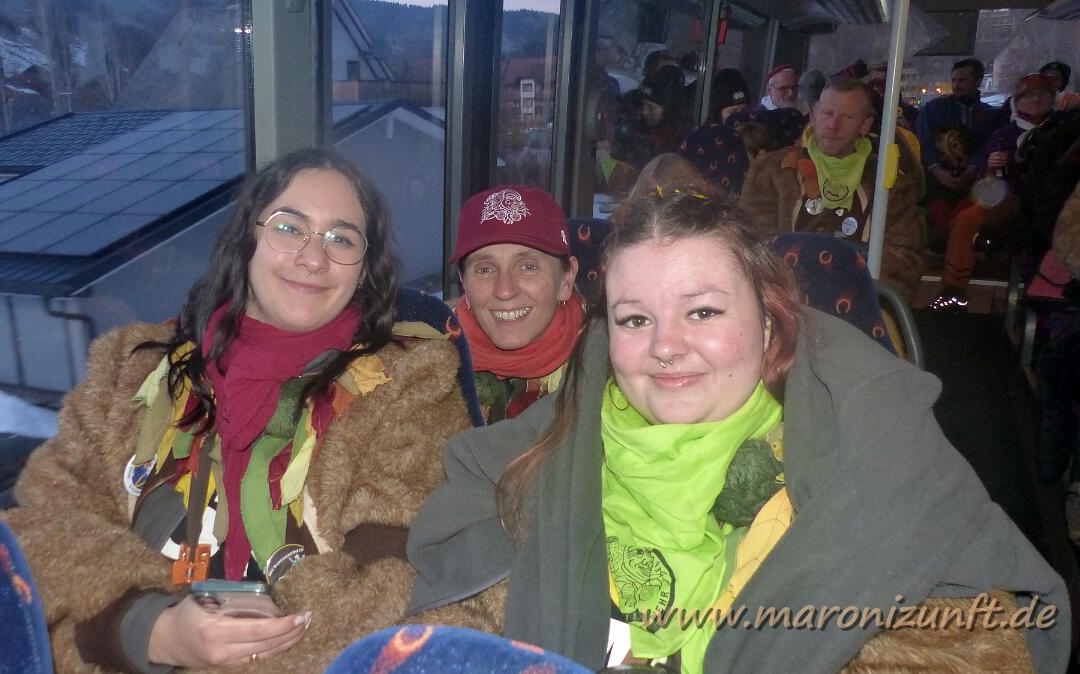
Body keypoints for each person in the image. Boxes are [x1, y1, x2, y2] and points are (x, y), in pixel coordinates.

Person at [406, 188, 1068, 673]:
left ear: (769, 321)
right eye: (636, 319)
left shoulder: (869, 456)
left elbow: (984, 639)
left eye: (702, 311)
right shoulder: (554, 442)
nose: (666, 346)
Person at [5, 148, 473, 673]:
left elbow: (395, 589)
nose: (314, 258)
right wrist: (151, 630)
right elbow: (41, 525)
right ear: (246, 240)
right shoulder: (129, 372)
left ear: (364, 271)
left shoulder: (409, 387)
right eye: (290, 228)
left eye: (341, 239)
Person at [740, 76, 924, 300]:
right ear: (814, 115)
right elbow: (751, 243)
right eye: (827, 114)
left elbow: (904, 260)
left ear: (864, 125)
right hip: (785, 300)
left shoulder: (889, 183)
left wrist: (854, 291)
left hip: (857, 301)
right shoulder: (774, 170)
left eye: (847, 117)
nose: (833, 125)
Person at [452, 185, 582, 423]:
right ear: (464, 283)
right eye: (485, 269)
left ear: (566, 280)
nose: (505, 290)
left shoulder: (609, 367)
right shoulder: (426, 369)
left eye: (528, 267)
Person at [930, 73, 1059, 310]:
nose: (1036, 100)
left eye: (1043, 94)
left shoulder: (1062, 129)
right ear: (1017, 102)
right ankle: (954, 288)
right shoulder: (1004, 135)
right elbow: (984, 182)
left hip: (1051, 202)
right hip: (1009, 201)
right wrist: (991, 166)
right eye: (1029, 95)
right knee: (966, 219)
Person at [914, 58, 1005, 236]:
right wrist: (938, 171)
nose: (956, 85)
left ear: (977, 81)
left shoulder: (989, 116)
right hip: (936, 182)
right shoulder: (934, 109)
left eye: (962, 80)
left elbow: (986, 145)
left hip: (973, 181)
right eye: (954, 80)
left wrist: (971, 170)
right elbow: (923, 142)